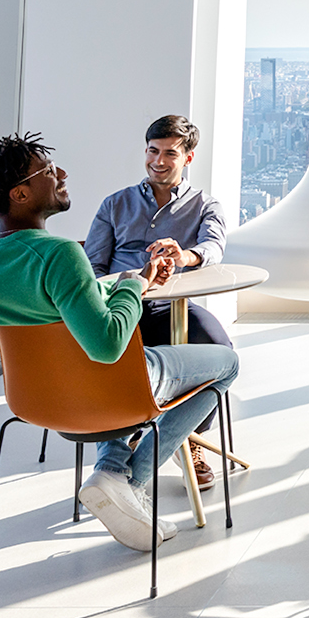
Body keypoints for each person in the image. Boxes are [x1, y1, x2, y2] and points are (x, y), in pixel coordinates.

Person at [0, 133, 239, 552]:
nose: (61, 174)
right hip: (109, 391)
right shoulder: (59, 253)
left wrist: (130, 282)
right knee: (227, 363)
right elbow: (106, 346)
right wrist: (131, 287)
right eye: (47, 171)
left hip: (36, 401)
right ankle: (127, 481)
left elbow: (32, 325)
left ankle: (114, 473)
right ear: (21, 193)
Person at [86, 114, 231, 491]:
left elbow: (213, 247)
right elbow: (93, 266)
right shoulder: (115, 203)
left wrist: (186, 256)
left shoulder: (205, 205)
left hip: (172, 305)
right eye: (153, 151)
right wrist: (123, 286)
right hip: (120, 303)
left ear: (188, 157)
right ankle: (122, 443)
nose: (158, 161)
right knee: (113, 354)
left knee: (219, 348)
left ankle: (189, 436)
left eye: (170, 153)